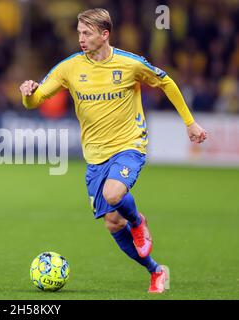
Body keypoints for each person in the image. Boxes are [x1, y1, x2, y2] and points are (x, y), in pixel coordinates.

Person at [19, 8, 207, 293]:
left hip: (129, 145)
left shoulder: (129, 64)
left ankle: (137, 220)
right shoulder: (70, 67)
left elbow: (165, 81)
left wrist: (190, 123)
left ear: (105, 35)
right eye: (79, 32)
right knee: (111, 223)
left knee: (113, 194)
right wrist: (28, 93)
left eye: (87, 33)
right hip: (95, 156)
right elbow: (35, 102)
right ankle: (156, 270)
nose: (81, 38)